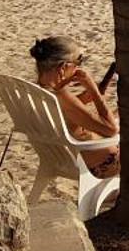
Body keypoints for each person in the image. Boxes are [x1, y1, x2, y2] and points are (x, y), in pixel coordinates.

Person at [29, 36, 118, 176]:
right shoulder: (62, 96)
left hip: (58, 158)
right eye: (78, 62)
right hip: (101, 164)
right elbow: (111, 129)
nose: (78, 68)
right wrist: (93, 88)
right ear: (63, 67)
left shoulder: (36, 92)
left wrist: (82, 98)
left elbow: (63, 112)